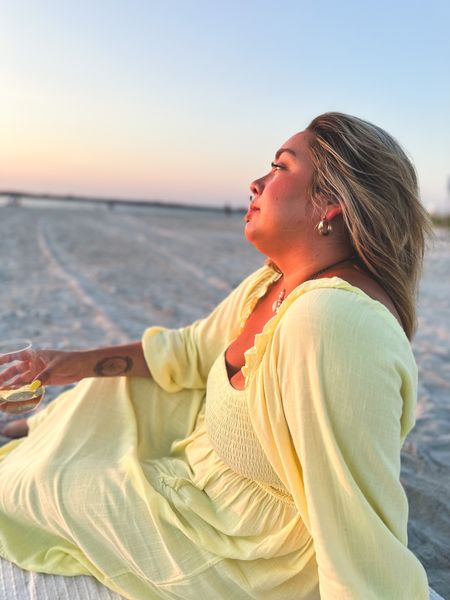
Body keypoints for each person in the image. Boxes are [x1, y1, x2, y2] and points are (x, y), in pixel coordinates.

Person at [0, 112, 432, 599]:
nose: (255, 182)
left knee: (34, 488)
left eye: (280, 167)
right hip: (203, 463)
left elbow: (356, 529)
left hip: (246, 554)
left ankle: (33, 444)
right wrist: (65, 364)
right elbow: (187, 352)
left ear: (330, 202)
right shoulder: (276, 281)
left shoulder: (333, 324)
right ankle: (34, 430)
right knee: (114, 393)